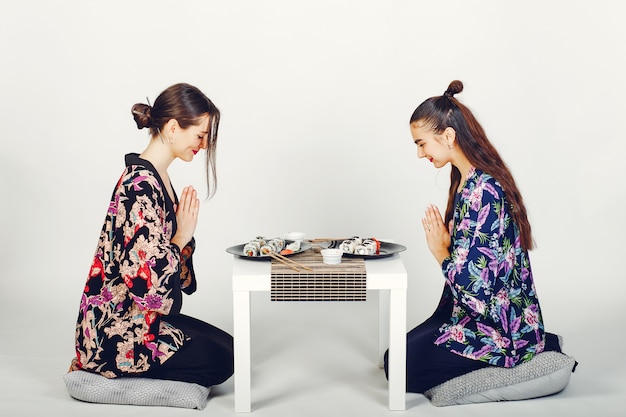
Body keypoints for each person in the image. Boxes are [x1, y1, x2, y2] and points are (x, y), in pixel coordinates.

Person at [385, 80, 562, 394]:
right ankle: (536, 339)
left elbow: (478, 292)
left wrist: (440, 251)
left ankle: (530, 350)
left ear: (448, 135)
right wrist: (452, 245)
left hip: (495, 326)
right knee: (392, 359)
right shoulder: (466, 180)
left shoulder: (483, 192)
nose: (419, 153)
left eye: (422, 143)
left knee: (400, 369)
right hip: (468, 311)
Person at [69, 83, 234, 389]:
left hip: (139, 315)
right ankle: (117, 371)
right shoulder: (139, 186)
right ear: (173, 128)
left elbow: (163, 269)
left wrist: (181, 240)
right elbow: (145, 282)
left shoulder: (157, 178)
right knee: (223, 361)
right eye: (200, 135)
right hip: (116, 328)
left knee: (229, 347)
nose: (204, 145)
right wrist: (182, 236)